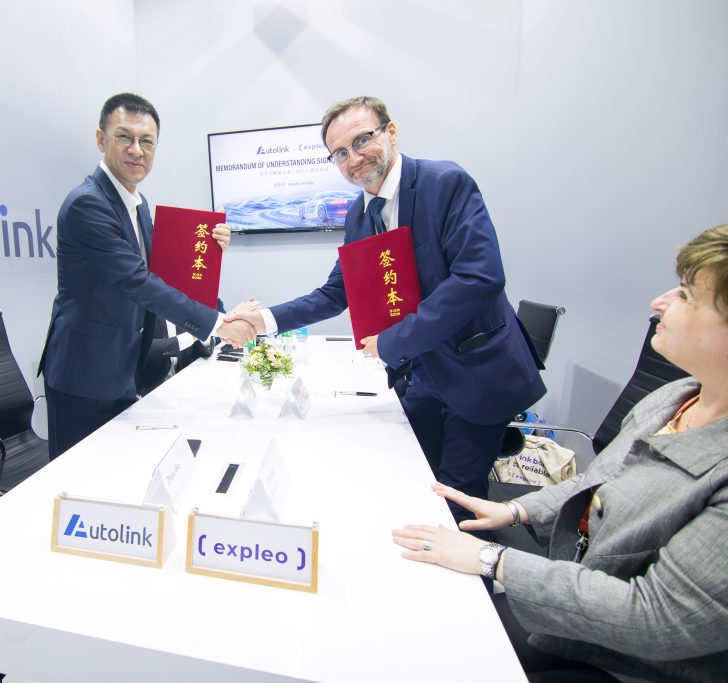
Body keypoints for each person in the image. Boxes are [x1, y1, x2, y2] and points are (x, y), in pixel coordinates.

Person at [392, 225, 728, 682]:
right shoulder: (675, 397)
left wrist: (491, 560)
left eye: (687, 295)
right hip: (576, 611)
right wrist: (513, 510)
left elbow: (657, 620)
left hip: (628, 664)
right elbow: (598, 481)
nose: (660, 302)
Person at [226, 96, 545, 523]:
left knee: (456, 502)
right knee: (414, 481)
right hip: (423, 375)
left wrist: (394, 341)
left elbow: (479, 278)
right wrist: (263, 320)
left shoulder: (444, 183)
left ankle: (475, 576)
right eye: (340, 153)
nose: (353, 159)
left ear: (391, 132)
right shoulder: (359, 215)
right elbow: (337, 292)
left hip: (477, 373)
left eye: (362, 141)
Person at [38, 92, 254, 458]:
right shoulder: (88, 203)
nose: (136, 150)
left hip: (123, 366)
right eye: (125, 137)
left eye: (147, 141)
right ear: (100, 139)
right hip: (84, 372)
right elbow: (136, 281)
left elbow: (166, 272)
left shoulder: (137, 206)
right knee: (77, 484)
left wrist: (210, 250)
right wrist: (218, 324)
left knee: (116, 477)